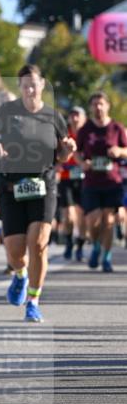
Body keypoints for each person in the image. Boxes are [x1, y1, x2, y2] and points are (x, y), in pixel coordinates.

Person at [0, 64, 75, 323]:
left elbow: (62, 154)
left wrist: (67, 150)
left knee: (38, 242)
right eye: (25, 85)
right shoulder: (7, 111)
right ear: (20, 87)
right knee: (15, 250)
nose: (30, 89)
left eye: (34, 84)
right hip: (11, 185)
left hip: (43, 184)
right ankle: (20, 275)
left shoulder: (53, 117)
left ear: (42, 85)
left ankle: (33, 300)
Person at [74, 91, 127, 273]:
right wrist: (83, 163)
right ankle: (96, 245)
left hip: (112, 182)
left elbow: (126, 150)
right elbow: (76, 151)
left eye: (101, 104)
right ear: (90, 108)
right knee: (93, 221)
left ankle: (106, 256)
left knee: (109, 221)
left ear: (107, 106)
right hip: (91, 182)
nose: (98, 107)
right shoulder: (85, 129)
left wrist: (119, 151)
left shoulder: (116, 128)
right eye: (94, 104)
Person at [56, 106, 86, 261]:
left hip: (84, 179)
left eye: (78, 115)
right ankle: (69, 242)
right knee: (68, 216)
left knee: (82, 216)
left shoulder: (88, 133)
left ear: (84, 118)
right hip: (66, 177)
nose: (74, 118)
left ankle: (80, 245)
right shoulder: (64, 133)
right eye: (72, 115)